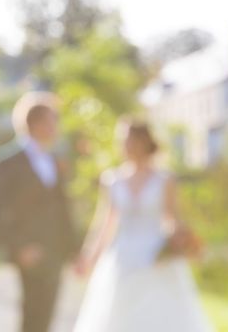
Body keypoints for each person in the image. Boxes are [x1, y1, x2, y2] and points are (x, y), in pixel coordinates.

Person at [73, 120, 213, 332]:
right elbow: (105, 223)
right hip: (123, 256)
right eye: (122, 140)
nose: (125, 144)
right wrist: (89, 256)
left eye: (129, 139)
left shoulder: (165, 179)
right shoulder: (112, 179)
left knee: (160, 314)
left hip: (156, 257)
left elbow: (171, 217)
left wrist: (181, 238)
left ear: (144, 141)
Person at [0, 92, 77, 332]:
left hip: (56, 249)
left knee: (48, 313)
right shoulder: (8, 163)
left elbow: (63, 207)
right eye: (52, 120)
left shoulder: (55, 160)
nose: (56, 126)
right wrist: (20, 247)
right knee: (32, 314)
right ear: (35, 123)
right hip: (29, 251)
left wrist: (74, 247)